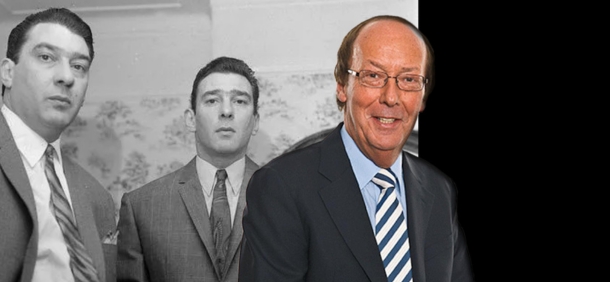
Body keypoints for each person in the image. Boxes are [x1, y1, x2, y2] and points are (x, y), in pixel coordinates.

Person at [239, 15, 474, 282]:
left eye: (408, 80)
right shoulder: (281, 188)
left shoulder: (439, 190)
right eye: (373, 76)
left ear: (422, 96)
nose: (391, 97)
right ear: (342, 86)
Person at [0, 7, 117, 282]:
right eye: (46, 57)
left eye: (79, 66)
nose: (67, 77)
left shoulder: (99, 199)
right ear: (8, 73)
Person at [117, 56, 260, 282]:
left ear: (255, 122)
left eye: (240, 101)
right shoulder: (142, 206)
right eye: (212, 100)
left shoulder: (288, 197)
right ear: (191, 119)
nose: (226, 111)